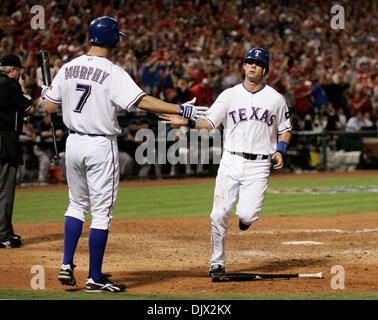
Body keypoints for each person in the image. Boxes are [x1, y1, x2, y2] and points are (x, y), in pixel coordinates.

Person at [41, 16, 203, 293]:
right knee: (101, 212)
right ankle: (94, 277)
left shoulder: (67, 67)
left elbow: (48, 108)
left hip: (74, 143)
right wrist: (179, 109)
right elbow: (141, 101)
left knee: (76, 205)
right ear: (114, 39)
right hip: (100, 144)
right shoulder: (112, 71)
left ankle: (67, 263)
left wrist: (46, 93)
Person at [160, 48, 292, 275]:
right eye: (249, 62)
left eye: (258, 64)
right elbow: (210, 123)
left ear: (265, 70)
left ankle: (245, 219)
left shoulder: (275, 99)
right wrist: (187, 122)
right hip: (231, 160)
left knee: (248, 215)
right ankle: (217, 261)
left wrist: (280, 150)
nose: (252, 66)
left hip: (259, 165)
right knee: (218, 214)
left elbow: (285, 129)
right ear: (243, 66)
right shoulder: (229, 95)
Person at [0, 53, 34, 248]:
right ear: (13, 71)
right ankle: (3, 234)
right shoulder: (10, 84)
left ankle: (6, 231)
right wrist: (21, 87)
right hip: (5, 141)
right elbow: (29, 107)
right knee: (5, 189)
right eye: (18, 71)